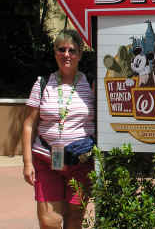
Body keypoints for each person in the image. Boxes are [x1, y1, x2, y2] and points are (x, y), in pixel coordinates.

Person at [22, 29, 95, 229]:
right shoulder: (43, 83)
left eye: (72, 50)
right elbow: (28, 124)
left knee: (74, 218)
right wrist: (28, 163)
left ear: (80, 54)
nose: (66, 55)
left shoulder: (91, 84)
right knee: (49, 221)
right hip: (48, 158)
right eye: (61, 49)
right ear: (55, 53)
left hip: (80, 161)